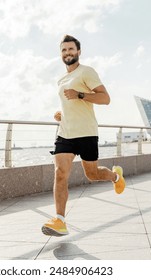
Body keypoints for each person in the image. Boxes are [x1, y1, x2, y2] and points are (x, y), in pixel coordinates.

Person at [41, 35, 126, 237]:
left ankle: (115, 176)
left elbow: (105, 99)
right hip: (65, 133)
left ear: (79, 51)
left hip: (86, 132)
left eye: (71, 49)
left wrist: (80, 94)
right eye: (64, 50)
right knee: (60, 173)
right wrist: (62, 113)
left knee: (92, 174)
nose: (67, 53)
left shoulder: (87, 72)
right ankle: (60, 221)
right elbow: (69, 102)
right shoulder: (61, 79)